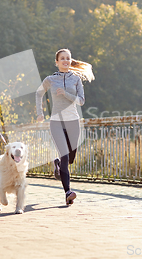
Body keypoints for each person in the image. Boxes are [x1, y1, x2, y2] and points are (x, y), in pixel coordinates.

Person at [36, 49, 95, 205]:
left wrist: (66, 94)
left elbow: (81, 101)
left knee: (70, 158)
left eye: (68, 58)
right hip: (56, 121)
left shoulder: (75, 79)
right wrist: (40, 113)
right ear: (57, 62)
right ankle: (68, 192)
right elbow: (38, 93)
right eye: (62, 59)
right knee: (65, 156)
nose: (65, 61)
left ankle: (57, 164)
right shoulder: (50, 79)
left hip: (73, 121)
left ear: (70, 61)